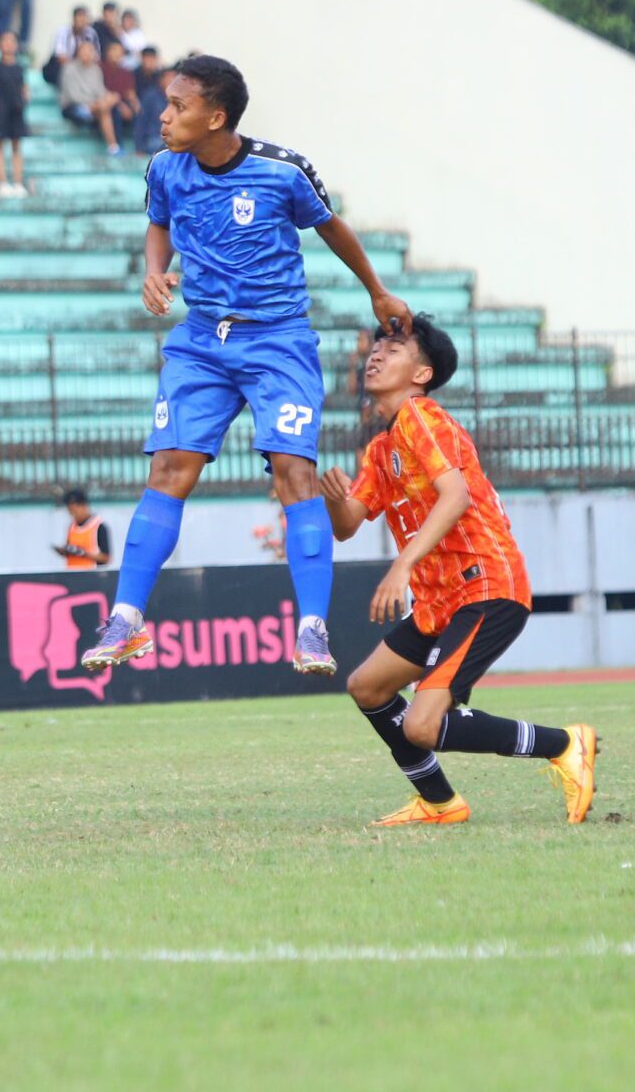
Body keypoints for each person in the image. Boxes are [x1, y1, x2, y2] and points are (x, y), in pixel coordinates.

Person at [80, 55, 411, 679]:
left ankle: (312, 628)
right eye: (167, 103)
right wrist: (155, 273)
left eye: (178, 106)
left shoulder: (280, 171)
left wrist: (376, 291)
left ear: (217, 116)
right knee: (169, 467)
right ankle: (125, 618)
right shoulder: (164, 168)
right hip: (202, 340)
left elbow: (331, 227)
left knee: (293, 471)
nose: (165, 115)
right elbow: (158, 223)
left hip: (278, 340)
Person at [328, 316, 598, 827]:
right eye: (377, 345)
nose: (377, 353)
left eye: (395, 346)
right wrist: (330, 499)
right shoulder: (382, 450)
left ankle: (565, 745)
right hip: (440, 603)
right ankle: (439, 802)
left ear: (422, 374)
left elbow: (457, 496)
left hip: (486, 585)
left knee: (422, 726)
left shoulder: (420, 417)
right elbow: (346, 527)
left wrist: (401, 565)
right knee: (367, 687)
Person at [0, 31, 31, 200]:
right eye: (5, 41)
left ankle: (17, 182)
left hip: (17, 109)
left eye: (12, 41)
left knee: (16, 147)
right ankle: (2, 182)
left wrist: (25, 98)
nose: (8, 44)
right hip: (1, 110)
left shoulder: (20, 66)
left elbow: (24, 86)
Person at [56, 488, 111, 570]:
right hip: (72, 574)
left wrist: (83, 553)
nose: (73, 514)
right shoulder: (72, 527)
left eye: (75, 511)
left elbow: (106, 558)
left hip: (90, 576)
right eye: (70, 511)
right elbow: (69, 548)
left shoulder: (98, 526)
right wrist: (65, 551)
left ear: (84, 506)